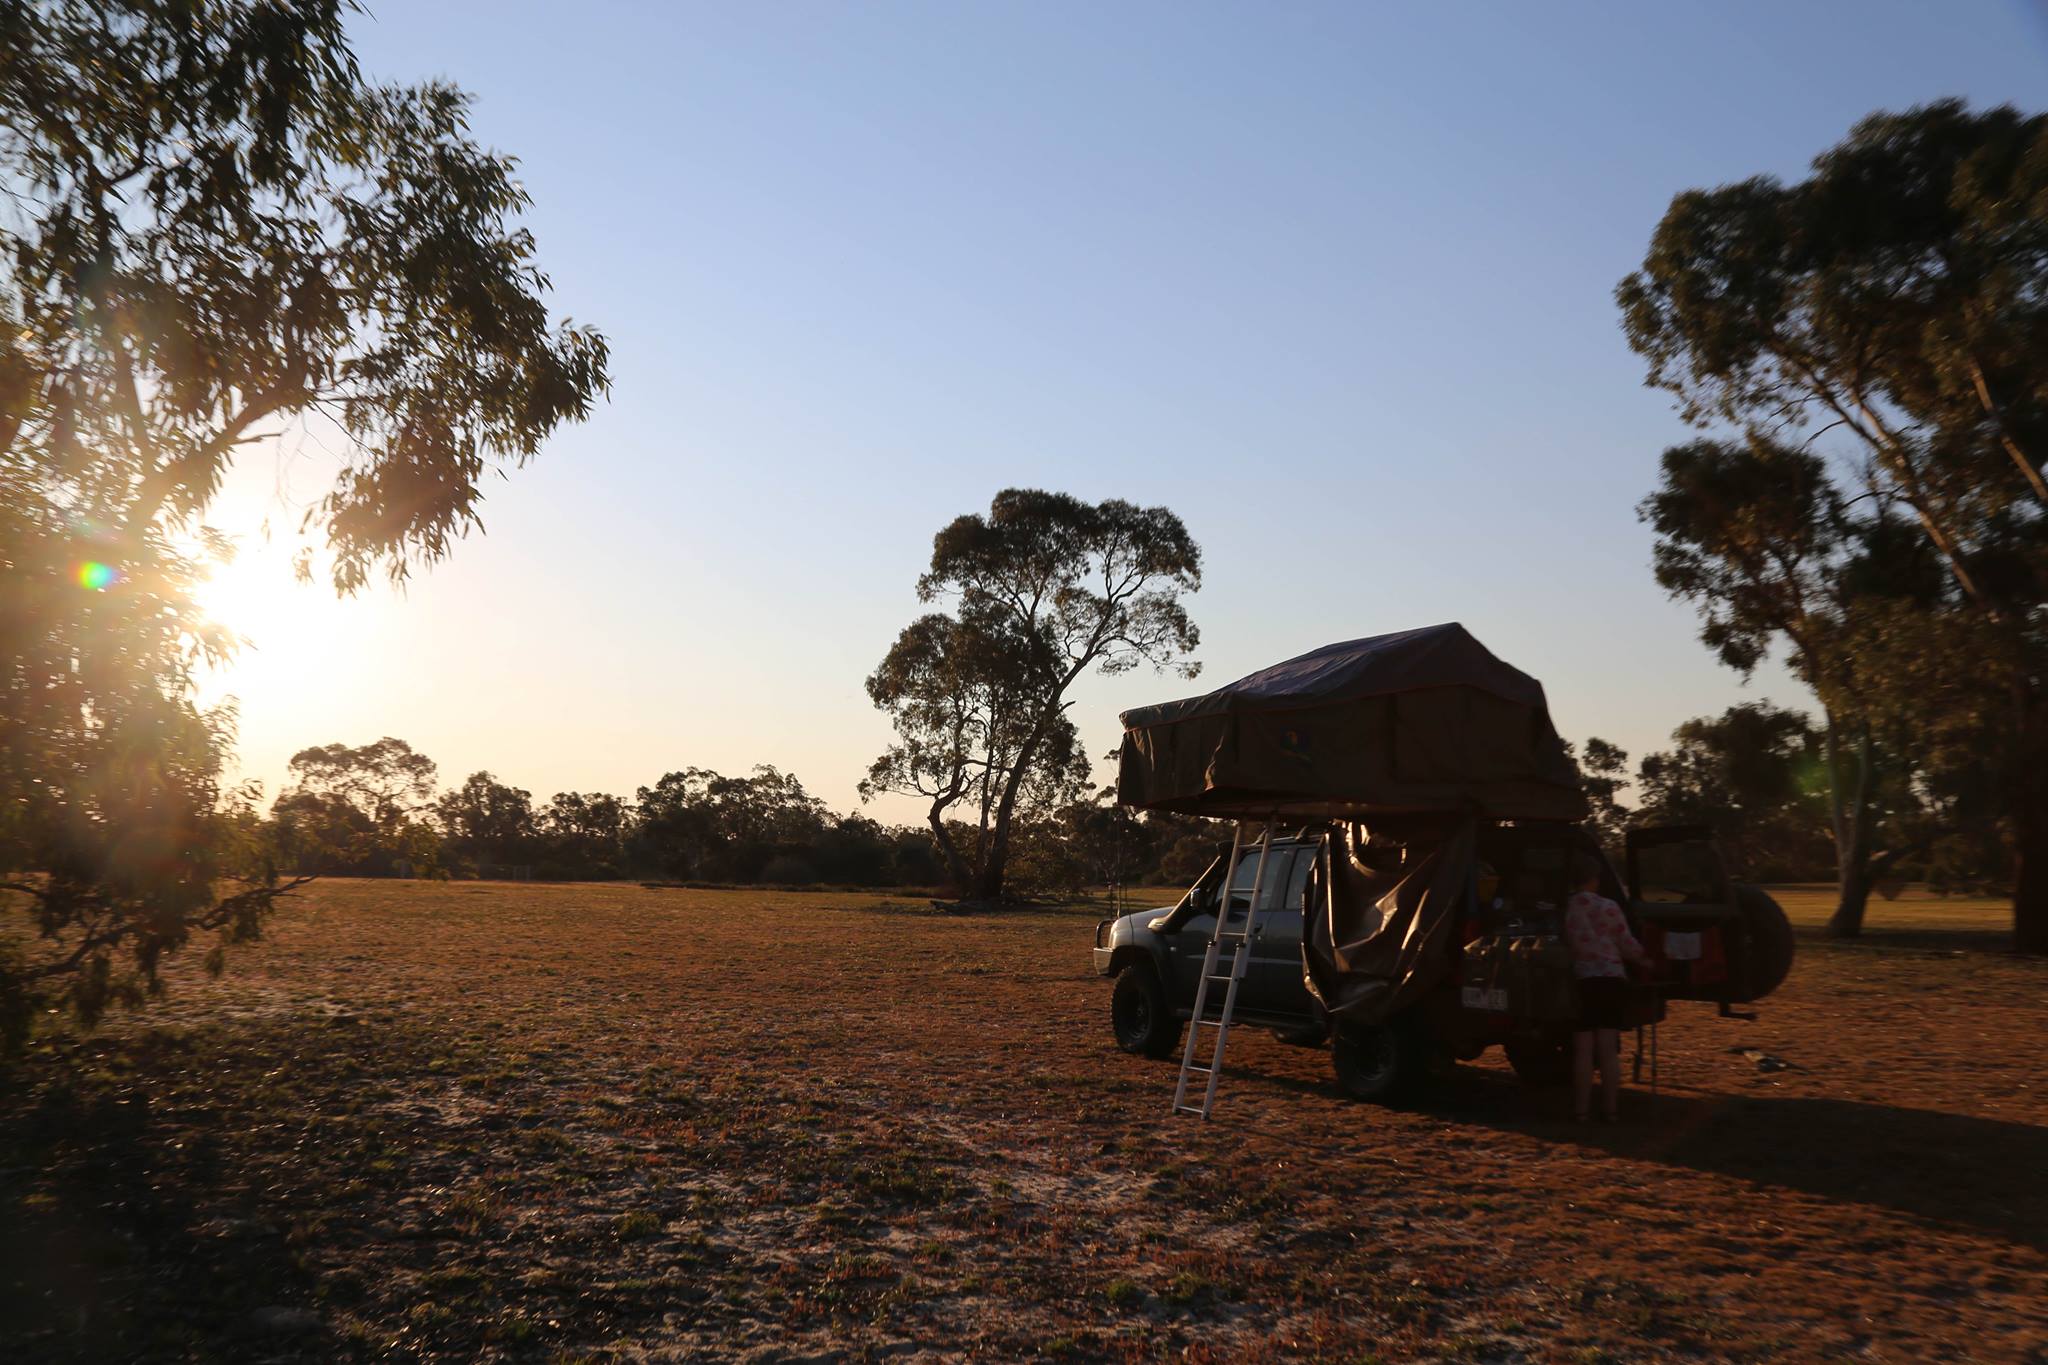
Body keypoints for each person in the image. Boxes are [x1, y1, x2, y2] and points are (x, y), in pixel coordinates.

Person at [1563, 853, 1650, 1122]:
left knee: (1584, 1049)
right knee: (1608, 1049)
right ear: (1594, 879)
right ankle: (1610, 1109)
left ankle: (1581, 1111)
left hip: (1584, 980)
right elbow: (1626, 943)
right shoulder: (1609, 906)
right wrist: (1646, 959)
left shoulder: (1566, 908)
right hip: (1612, 979)